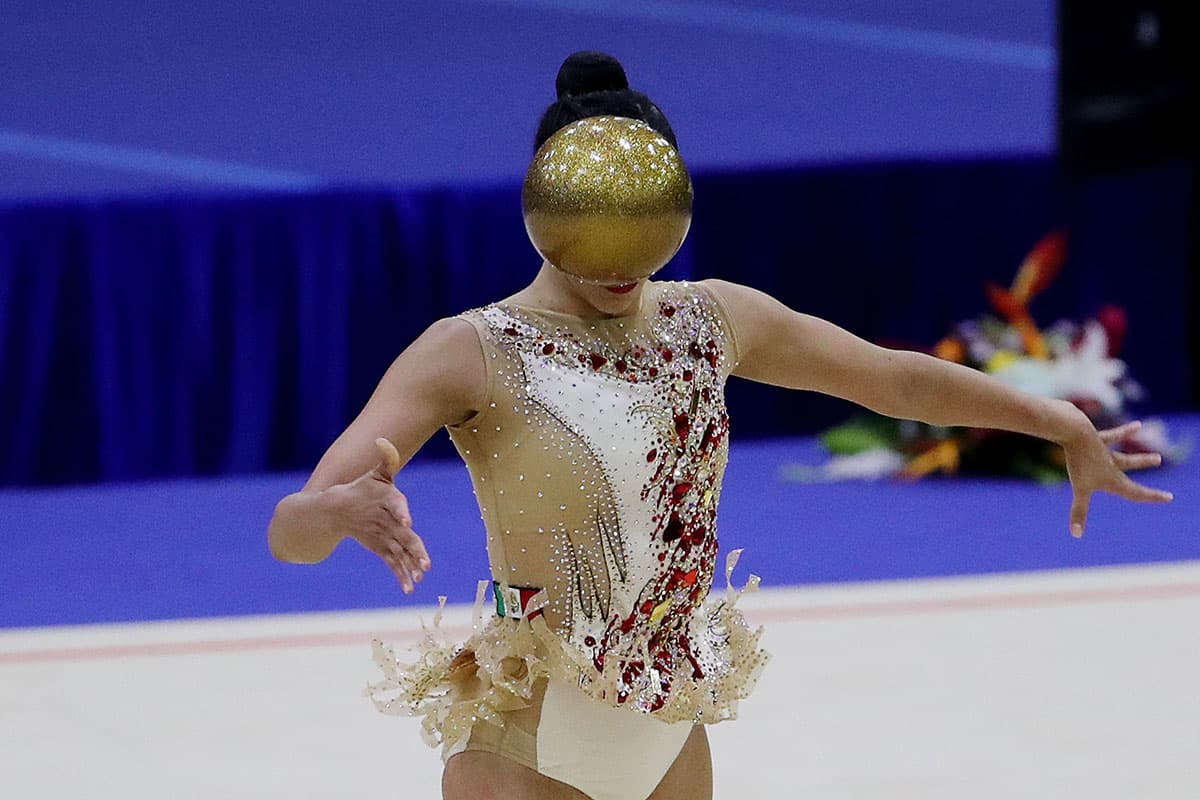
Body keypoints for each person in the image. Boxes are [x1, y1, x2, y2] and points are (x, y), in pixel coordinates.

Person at [267, 51, 1173, 800]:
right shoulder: (468, 351)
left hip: (670, 730)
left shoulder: (712, 318)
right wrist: (334, 513)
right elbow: (290, 533)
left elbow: (892, 380)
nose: (627, 269)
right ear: (548, 214)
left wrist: (1052, 417)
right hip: (526, 741)